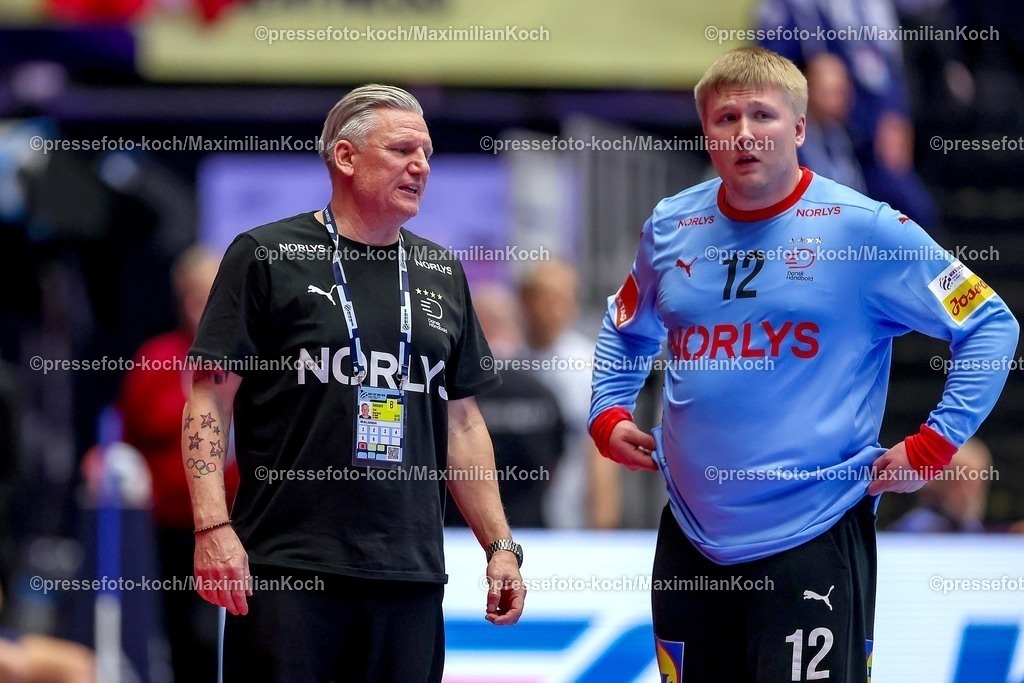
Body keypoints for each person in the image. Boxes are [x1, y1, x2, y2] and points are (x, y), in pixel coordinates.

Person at [588, 47, 1018, 682]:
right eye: (725, 117)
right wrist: (607, 409)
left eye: (761, 115)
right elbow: (624, 329)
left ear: (798, 129)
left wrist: (934, 444)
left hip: (810, 536)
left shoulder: (865, 229)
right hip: (690, 534)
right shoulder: (671, 226)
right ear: (706, 132)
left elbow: (989, 322)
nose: (742, 133)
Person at [181, 84, 525, 683]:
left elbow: (462, 421)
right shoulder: (265, 255)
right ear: (345, 157)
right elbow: (209, 397)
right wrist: (212, 527)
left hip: (409, 574)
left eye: (427, 153)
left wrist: (500, 546)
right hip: (289, 567)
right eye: (401, 151)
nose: (421, 166)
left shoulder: (442, 271)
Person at [118, 244, 239, 682]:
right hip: (172, 525)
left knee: (232, 629)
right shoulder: (156, 359)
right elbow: (128, 435)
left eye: (212, 295)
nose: (201, 307)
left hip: (245, 519)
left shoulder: (257, 356)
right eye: (193, 295)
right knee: (184, 634)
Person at [444, 284, 565, 528]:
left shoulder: (454, 391)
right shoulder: (542, 392)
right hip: (532, 533)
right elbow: (556, 462)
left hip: (457, 533)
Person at [519, 261, 621, 528]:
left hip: (570, 521)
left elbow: (602, 452)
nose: (555, 309)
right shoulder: (504, 363)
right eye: (546, 298)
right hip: (518, 517)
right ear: (524, 301)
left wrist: (602, 526)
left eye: (564, 299)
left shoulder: (590, 366)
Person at [890, 438, 993, 533]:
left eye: (977, 482)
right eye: (961, 482)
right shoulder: (917, 529)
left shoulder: (973, 528)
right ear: (938, 483)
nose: (969, 492)